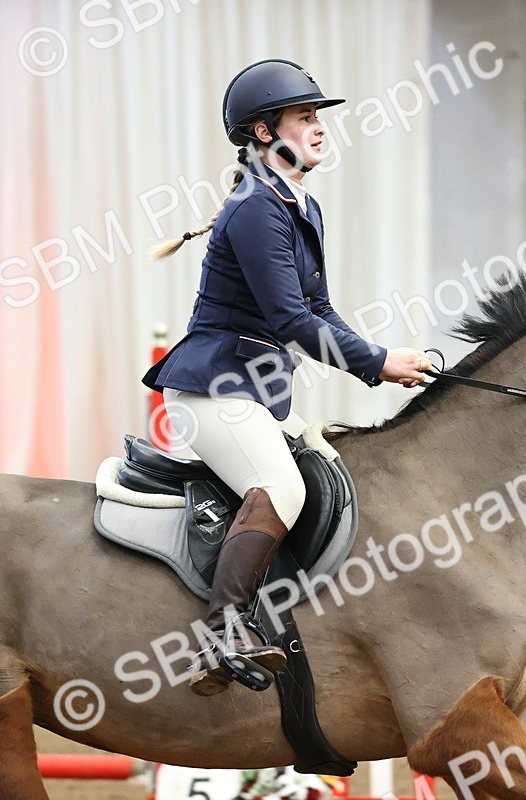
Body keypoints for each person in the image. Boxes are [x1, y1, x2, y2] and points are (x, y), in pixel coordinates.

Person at [142, 60, 431, 696]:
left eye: (317, 117)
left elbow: (318, 311)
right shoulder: (254, 209)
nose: (320, 129)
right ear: (263, 130)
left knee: (337, 467)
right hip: (212, 387)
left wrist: (385, 361)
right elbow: (290, 318)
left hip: (258, 392)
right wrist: (375, 363)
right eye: (306, 118)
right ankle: (222, 633)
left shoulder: (301, 205)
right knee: (282, 485)